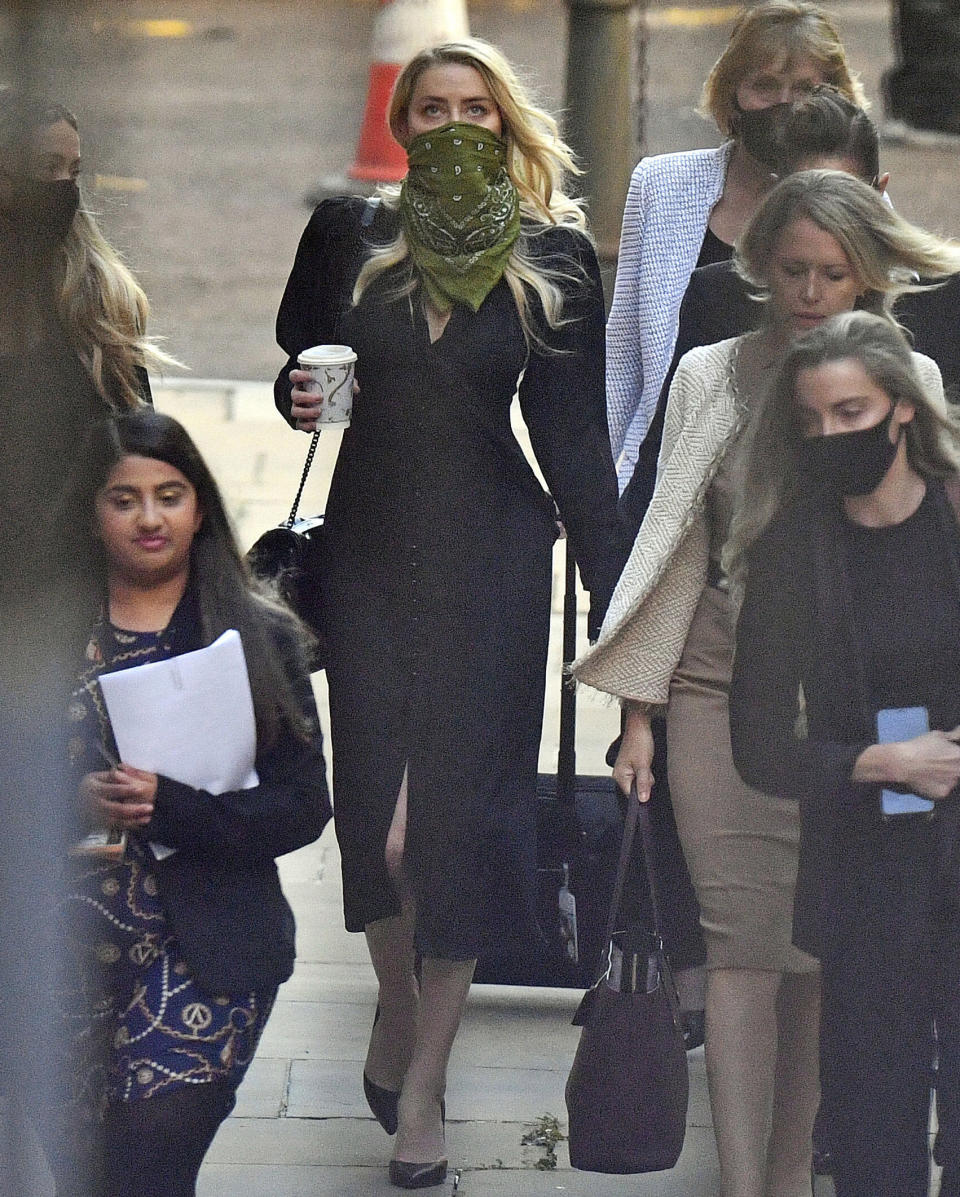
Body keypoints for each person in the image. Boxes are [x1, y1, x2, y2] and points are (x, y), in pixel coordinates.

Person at [273, 38, 621, 1189]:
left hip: (492, 562)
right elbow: (298, 377)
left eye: (477, 106)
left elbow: (572, 439)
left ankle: (424, 1083)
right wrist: (300, 395)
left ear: (505, 123)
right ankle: (394, 1009)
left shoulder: (553, 253)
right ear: (405, 124)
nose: (453, 124)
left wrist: (621, 607)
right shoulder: (350, 236)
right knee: (373, 827)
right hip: (370, 555)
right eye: (432, 107)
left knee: (450, 829)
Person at [574, 169, 960, 1197]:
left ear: (869, 276)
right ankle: (747, 1181)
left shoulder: (897, 374)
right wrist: (639, 713)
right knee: (743, 945)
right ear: (760, 268)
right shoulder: (716, 373)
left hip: (848, 703)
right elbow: (671, 542)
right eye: (791, 269)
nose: (810, 291)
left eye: (834, 272)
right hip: (716, 681)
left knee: (827, 952)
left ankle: (794, 1171)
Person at [44, 408, 331, 1197]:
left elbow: (305, 804)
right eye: (123, 498)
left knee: (147, 1167)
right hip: (52, 955)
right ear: (91, 511)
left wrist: (172, 806)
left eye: (168, 494)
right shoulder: (41, 633)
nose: (147, 517)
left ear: (199, 504)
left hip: (203, 946)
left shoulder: (255, 633)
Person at [727, 311, 960, 1197]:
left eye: (851, 413)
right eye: (812, 420)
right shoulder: (794, 547)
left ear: (902, 407)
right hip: (867, 870)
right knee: (870, 1128)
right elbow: (756, 744)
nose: (830, 437)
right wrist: (881, 763)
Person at [0, 91, 174, 1187]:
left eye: (70, 168)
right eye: (35, 167)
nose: (54, 189)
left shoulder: (93, 300)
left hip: (60, 635)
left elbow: (139, 472)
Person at [606, 0, 866, 491]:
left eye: (807, 89)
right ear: (732, 93)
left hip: (807, 471)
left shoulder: (859, 194)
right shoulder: (663, 186)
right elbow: (624, 354)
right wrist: (599, 486)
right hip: (673, 466)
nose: (785, 105)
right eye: (764, 86)